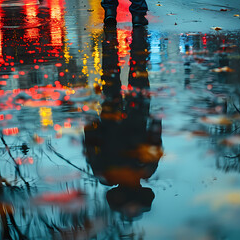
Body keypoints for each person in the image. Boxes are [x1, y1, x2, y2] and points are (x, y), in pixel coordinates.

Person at [84, 26, 162, 220]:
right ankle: (113, 38)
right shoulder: (106, 174)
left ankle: (136, 35)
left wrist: (155, 124)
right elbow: (91, 145)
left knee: (137, 73)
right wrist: (90, 124)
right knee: (111, 74)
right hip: (113, 118)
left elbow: (155, 142)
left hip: (133, 117)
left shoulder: (145, 170)